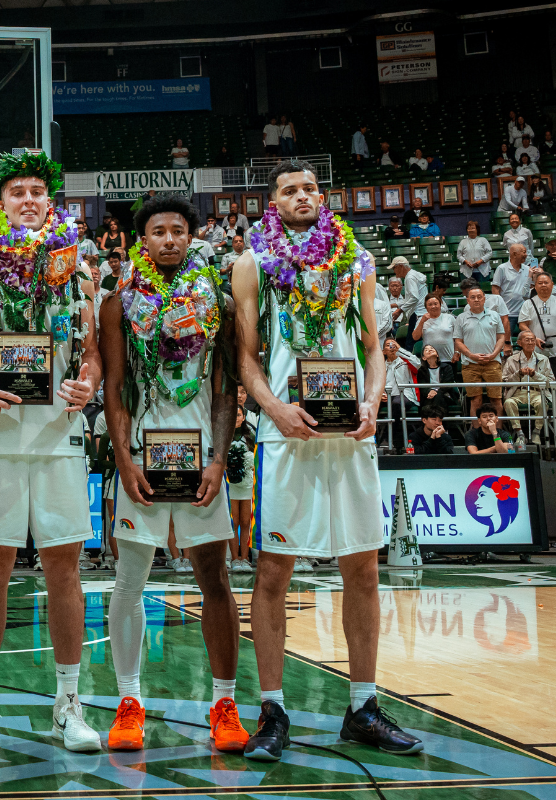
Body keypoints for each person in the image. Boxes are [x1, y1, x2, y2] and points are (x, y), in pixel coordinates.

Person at [232, 159, 422, 760]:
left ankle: (362, 706)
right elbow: (246, 358)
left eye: (310, 188)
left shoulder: (356, 258)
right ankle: (272, 710)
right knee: (273, 571)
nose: (301, 196)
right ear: (274, 202)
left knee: (363, 570)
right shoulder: (252, 262)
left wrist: (372, 401)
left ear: (323, 195)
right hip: (288, 433)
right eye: (289, 190)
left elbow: (373, 346)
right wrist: (272, 409)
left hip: (351, 434)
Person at [0, 150, 102, 755]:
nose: (30, 199)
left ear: (51, 201)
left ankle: (70, 703)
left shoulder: (78, 267)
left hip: (59, 435)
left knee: (65, 570)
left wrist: (87, 383)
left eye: (40, 190)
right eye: (18, 192)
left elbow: (91, 351)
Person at [99, 193, 249, 753]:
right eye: (158, 230)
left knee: (215, 579)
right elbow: (113, 388)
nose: (168, 238)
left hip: (201, 454)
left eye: (178, 230)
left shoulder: (217, 300)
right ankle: (129, 700)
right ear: (142, 240)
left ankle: (225, 702)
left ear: (191, 235)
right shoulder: (117, 302)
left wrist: (217, 458)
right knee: (129, 579)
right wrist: (122, 457)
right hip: (142, 451)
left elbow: (224, 386)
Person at [454, 287, 507, 419]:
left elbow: (501, 338)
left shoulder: (494, 315)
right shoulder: (461, 318)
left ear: (484, 299)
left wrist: (494, 354)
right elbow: (458, 342)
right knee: (475, 401)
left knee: (496, 400)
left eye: (479, 297)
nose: (476, 299)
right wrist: (471, 355)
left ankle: (498, 434)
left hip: (493, 363)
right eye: (472, 297)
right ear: (467, 300)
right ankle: (477, 436)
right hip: (470, 364)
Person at [502, 329, 553, 447]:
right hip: (517, 392)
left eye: (533, 340)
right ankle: (519, 433)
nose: (530, 343)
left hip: (537, 392)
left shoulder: (543, 359)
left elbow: (550, 381)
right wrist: (518, 374)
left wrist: (535, 374)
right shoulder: (512, 359)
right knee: (509, 403)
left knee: (542, 403)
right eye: (527, 340)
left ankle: (537, 431)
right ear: (519, 343)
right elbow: (505, 381)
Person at [227, 404, 256, 572]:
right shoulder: (224, 436)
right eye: (233, 415)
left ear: (243, 417)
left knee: (245, 522)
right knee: (233, 521)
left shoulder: (250, 435)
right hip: (230, 484)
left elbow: (257, 457)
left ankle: (245, 558)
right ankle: (234, 558)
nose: (236, 418)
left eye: (238, 415)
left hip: (246, 484)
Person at [381, 340, 420, 447]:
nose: (391, 347)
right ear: (384, 351)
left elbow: (418, 363)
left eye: (393, 344)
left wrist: (400, 350)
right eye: (388, 345)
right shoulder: (381, 366)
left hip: (404, 395)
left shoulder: (405, 362)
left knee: (397, 403)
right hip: (386, 396)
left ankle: (386, 438)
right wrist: (380, 394)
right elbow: (377, 383)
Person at [519, 271, 556, 365]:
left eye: (546, 282)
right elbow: (522, 324)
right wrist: (534, 338)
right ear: (535, 286)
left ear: (552, 285)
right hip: (536, 348)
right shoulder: (528, 303)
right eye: (540, 283)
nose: (543, 285)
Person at [493, 243, 532, 332]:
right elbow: (495, 288)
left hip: (524, 314)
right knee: (507, 341)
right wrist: (499, 308)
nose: (526, 255)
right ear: (514, 254)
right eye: (524, 252)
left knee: (526, 341)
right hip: (507, 314)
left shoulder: (528, 269)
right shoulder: (502, 268)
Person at [412, 294, 458, 363]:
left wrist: (457, 352)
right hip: (430, 360)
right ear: (426, 307)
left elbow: (458, 337)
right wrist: (422, 322)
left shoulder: (450, 318)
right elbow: (415, 337)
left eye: (436, 304)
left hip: (449, 358)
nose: (433, 306)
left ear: (440, 305)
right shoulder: (422, 319)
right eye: (430, 304)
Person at [415, 344, 458, 408]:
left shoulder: (447, 367)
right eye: (426, 350)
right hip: (428, 395)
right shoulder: (421, 370)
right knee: (428, 400)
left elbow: (448, 384)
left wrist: (435, 392)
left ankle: (434, 417)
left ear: (437, 355)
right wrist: (430, 392)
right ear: (424, 358)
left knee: (437, 397)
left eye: (432, 348)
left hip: (444, 394)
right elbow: (422, 386)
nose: (430, 350)